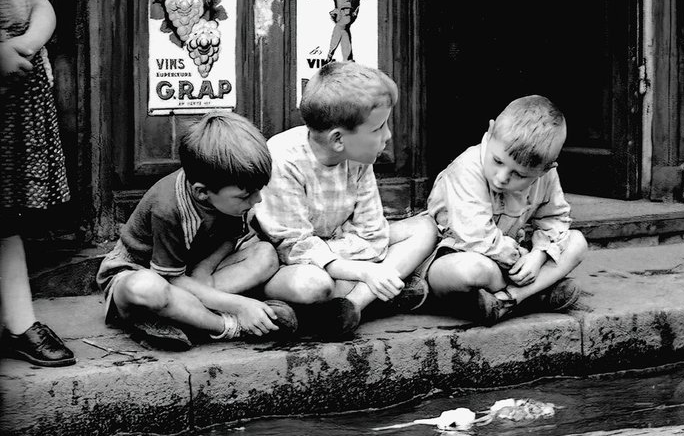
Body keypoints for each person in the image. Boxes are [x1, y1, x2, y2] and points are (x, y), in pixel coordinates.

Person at [254, 62, 438, 342]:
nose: (388, 136)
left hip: (340, 250)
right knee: (313, 285)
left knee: (424, 228)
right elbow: (293, 246)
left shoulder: (360, 156)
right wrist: (363, 269)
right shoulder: (283, 158)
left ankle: (354, 304)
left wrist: (352, 260)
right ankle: (377, 290)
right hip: (290, 263)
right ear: (338, 139)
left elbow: (373, 233)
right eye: (378, 128)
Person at [95, 111, 295, 351]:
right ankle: (226, 325)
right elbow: (170, 279)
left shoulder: (229, 197)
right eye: (246, 195)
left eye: (258, 190)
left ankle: (184, 316)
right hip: (143, 275)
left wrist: (204, 273)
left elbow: (229, 239)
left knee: (265, 254)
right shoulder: (167, 207)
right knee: (148, 289)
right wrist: (239, 305)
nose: (258, 199)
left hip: (190, 274)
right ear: (202, 192)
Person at [1, 0, 75, 366]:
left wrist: (26, 43)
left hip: (16, 87)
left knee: (6, 218)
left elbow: (42, 6)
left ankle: (20, 321)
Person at [425, 94, 587, 326]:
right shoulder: (467, 168)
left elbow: (555, 219)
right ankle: (537, 292)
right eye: (498, 161)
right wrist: (523, 260)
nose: (501, 178)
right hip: (456, 258)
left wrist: (538, 256)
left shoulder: (547, 176)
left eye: (519, 175)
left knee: (577, 242)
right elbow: (475, 236)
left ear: (545, 169)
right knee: (473, 269)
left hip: (511, 263)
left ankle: (508, 299)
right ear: (490, 132)